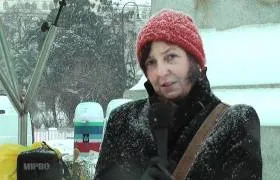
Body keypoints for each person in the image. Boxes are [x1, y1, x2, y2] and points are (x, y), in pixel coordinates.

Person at [94, 9, 262, 180]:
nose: (160, 71)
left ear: (194, 61)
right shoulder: (122, 121)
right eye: (151, 62)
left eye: (171, 57)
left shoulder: (234, 122)